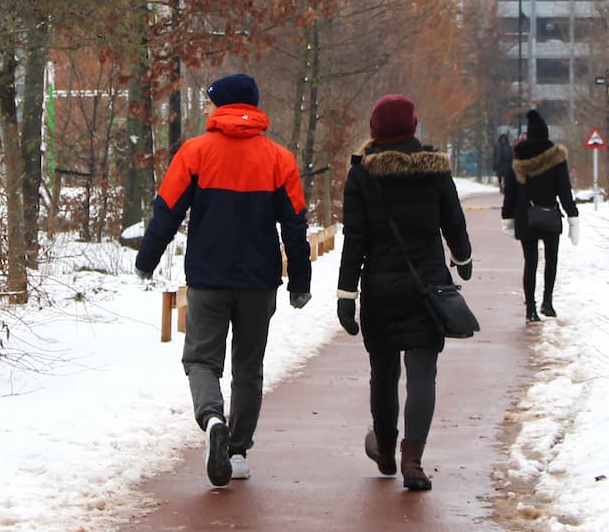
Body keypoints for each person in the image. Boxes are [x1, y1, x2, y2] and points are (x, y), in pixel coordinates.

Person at [135, 73, 312, 488]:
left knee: (200, 360)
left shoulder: (194, 152)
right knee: (248, 369)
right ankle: (237, 450)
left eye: (210, 102)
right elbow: (295, 228)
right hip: (259, 281)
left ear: (224, 105)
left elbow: (167, 212)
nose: (206, 109)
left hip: (208, 279)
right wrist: (299, 282)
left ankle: (212, 418)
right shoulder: (279, 159)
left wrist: (147, 260)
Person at [334, 94, 472, 492]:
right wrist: (462, 259)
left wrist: (346, 294)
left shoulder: (362, 174)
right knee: (423, 375)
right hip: (429, 287)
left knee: (384, 372)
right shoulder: (435, 169)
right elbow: (454, 221)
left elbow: (354, 239)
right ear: (413, 126)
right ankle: (413, 460)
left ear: (374, 130)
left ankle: (385, 447)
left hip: (379, 288)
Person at [500, 108, 580, 323]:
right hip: (550, 215)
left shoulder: (519, 158)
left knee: (531, 262)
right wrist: (573, 217)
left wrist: (507, 217)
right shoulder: (556, 158)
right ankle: (548, 302)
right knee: (551, 260)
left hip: (525, 217)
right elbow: (564, 190)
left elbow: (511, 192)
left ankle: (530, 310)